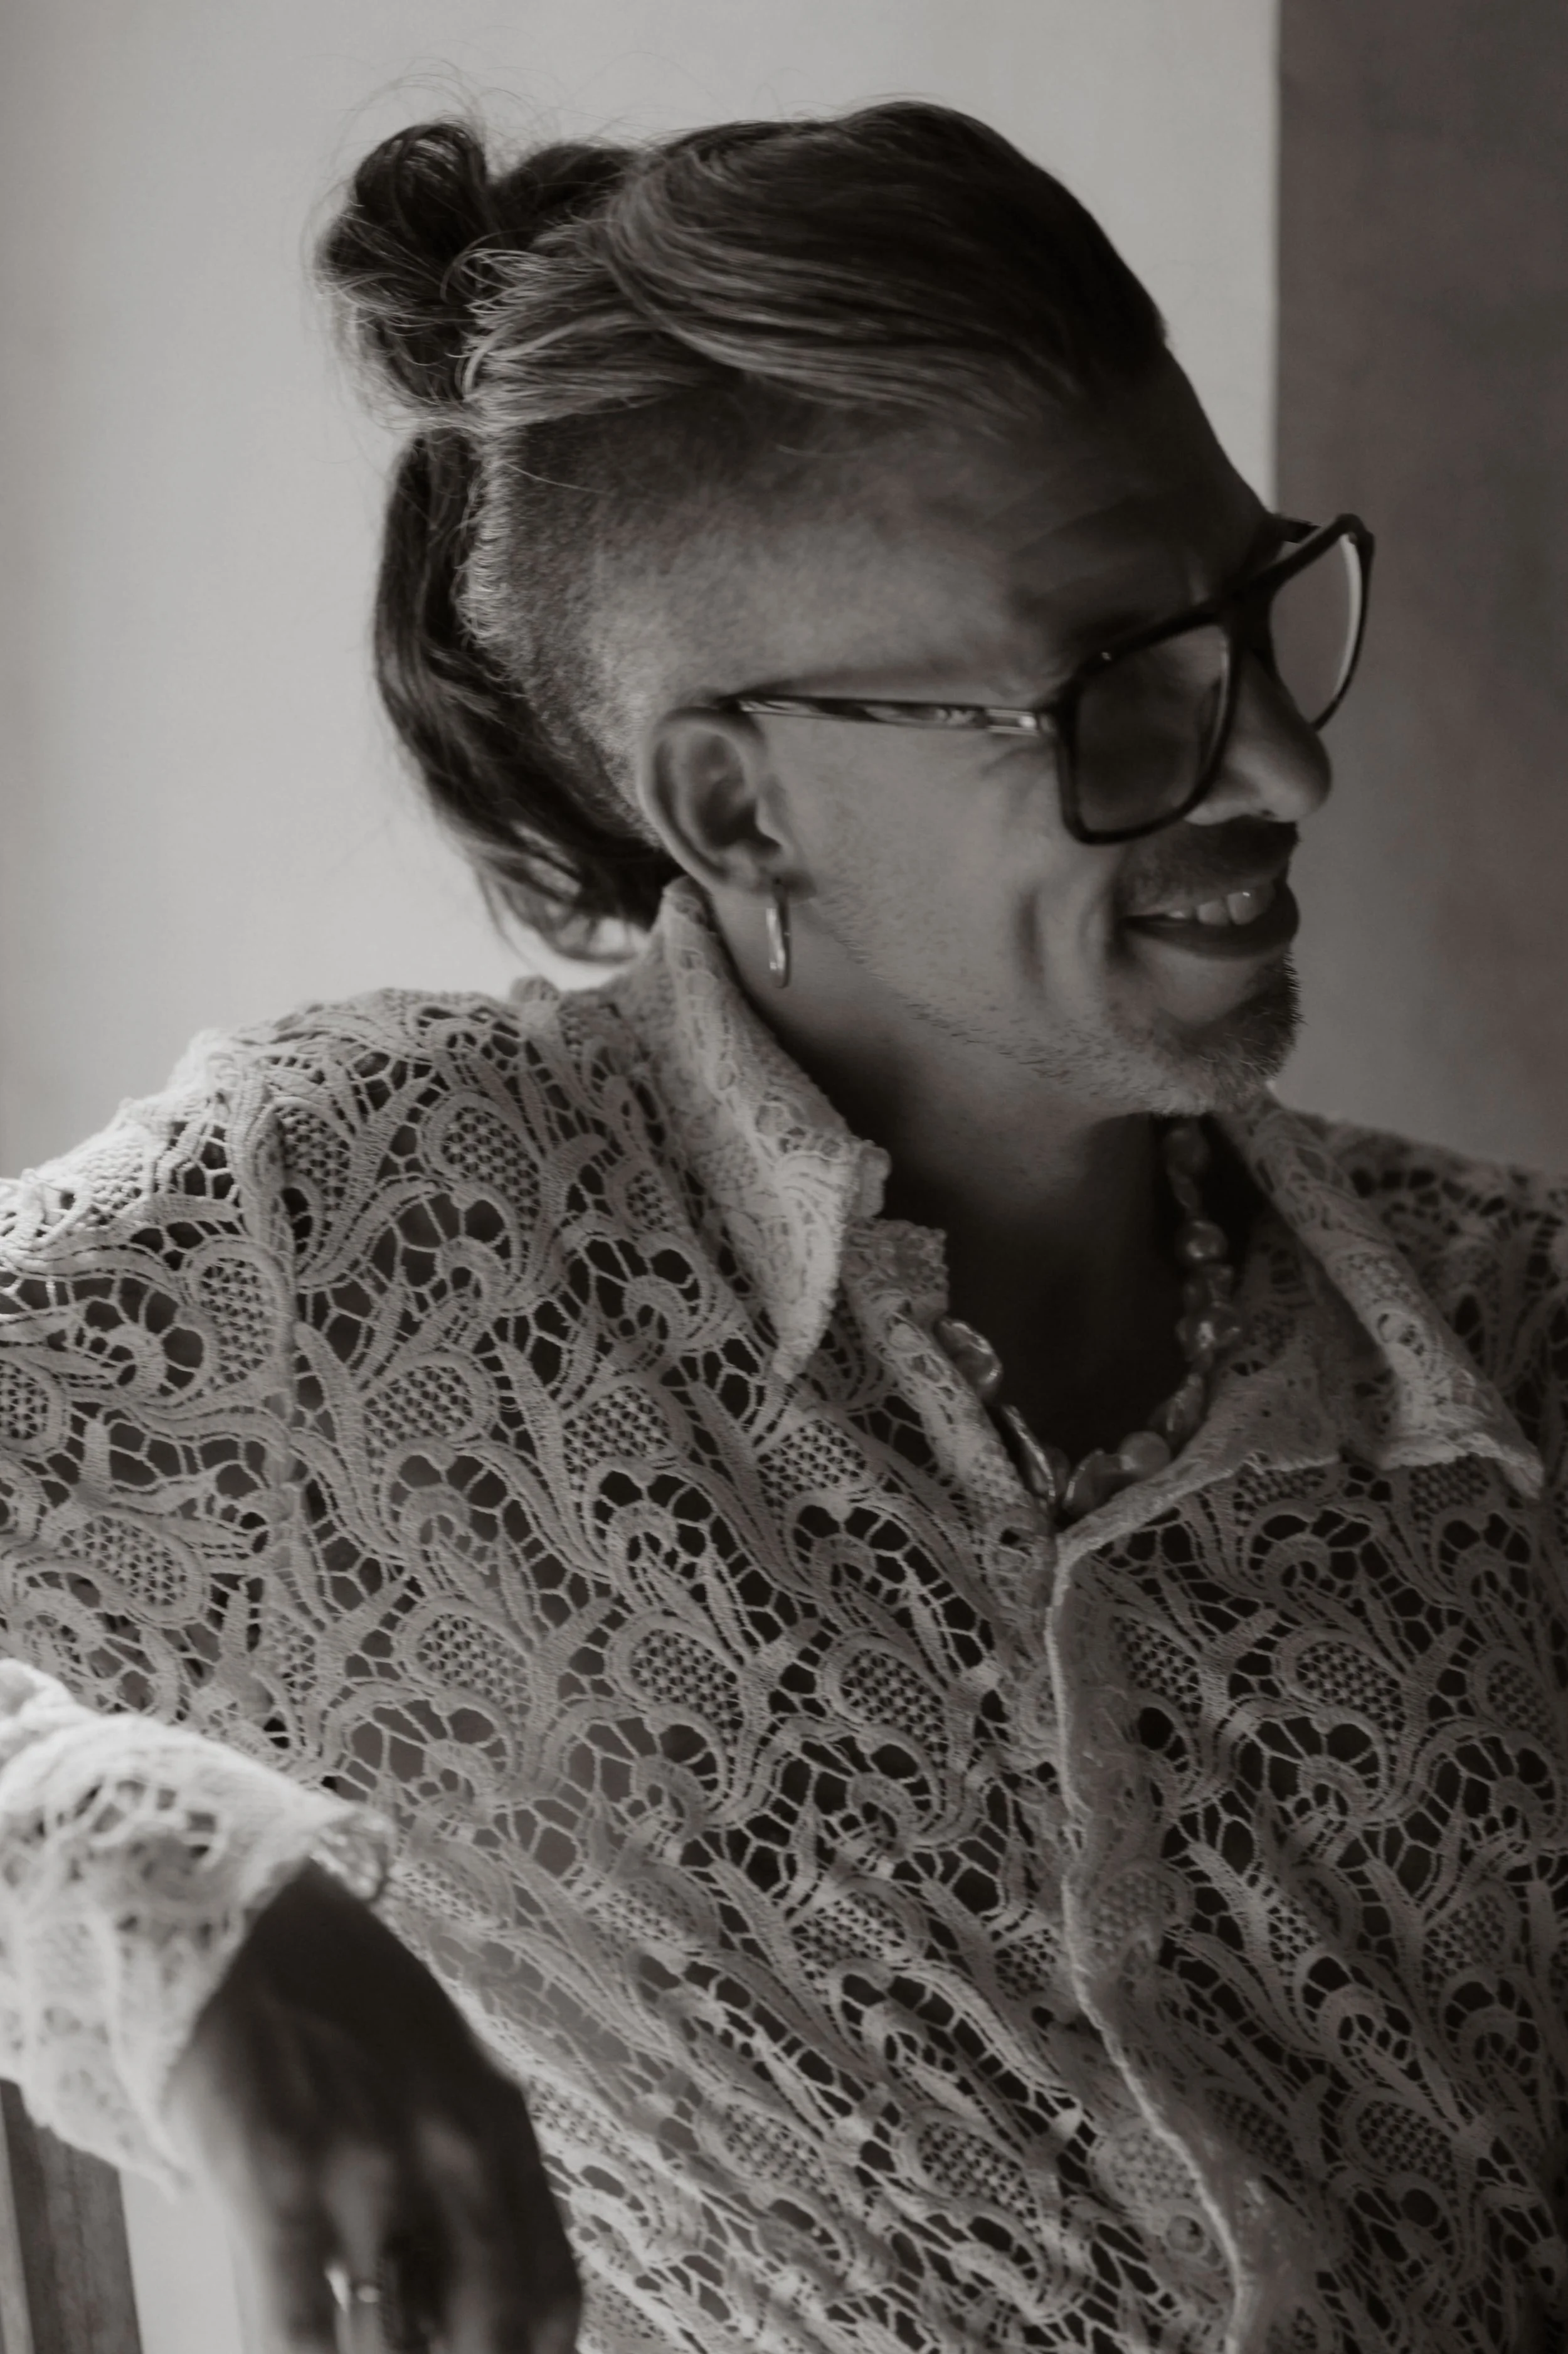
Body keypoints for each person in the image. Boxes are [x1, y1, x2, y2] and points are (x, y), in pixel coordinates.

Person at [0, 96, 1564, 2354]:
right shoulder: (362, 1245)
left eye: (1252, 611)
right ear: (731, 801)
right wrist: (155, 1887)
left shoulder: (1509, 1331)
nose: (1278, 770)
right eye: (1109, 686)